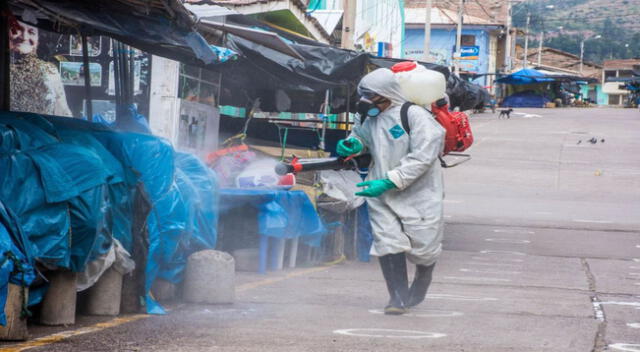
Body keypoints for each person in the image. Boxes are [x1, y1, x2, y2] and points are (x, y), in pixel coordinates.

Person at [336, 68, 445, 315]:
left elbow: (423, 156)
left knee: (424, 247)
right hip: (380, 191)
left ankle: (425, 273)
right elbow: (362, 139)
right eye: (365, 96)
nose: (368, 102)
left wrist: (392, 180)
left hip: (419, 192)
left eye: (373, 96)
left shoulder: (414, 115)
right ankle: (396, 298)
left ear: (388, 93)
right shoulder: (366, 117)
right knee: (387, 242)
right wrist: (355, 145)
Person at [9, 19, 72, 116]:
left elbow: (63, 112)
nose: (25, 37)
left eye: (31, 32)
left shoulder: (50, 71)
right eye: (18, 30)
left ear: (38, 40)